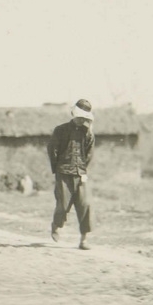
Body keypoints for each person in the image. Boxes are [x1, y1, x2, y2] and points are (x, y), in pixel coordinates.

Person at [47, 99, 95, 249]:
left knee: (85, 204)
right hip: (63, 173)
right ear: (74, 114)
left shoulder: (88, 134)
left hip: (80, 174)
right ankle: (56, 225)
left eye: (84, 118)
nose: (82, 120)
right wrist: (57, 169)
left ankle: (84, 239)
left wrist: (82, 169)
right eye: (80, 117)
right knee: (62, 205)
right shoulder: (60, 130)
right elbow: (52, 150)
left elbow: (89, 154)